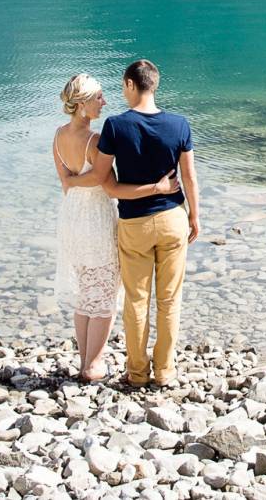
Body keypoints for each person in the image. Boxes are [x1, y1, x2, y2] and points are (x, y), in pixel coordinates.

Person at [51, 73, 177, 382]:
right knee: (105, 292)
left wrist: (71, 181)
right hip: (95, 217)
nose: (104, 102)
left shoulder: (58, 135)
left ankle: (85, 361)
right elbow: (108, 185)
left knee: (86, 291)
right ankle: (93, 365)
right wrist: (158, 188)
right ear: (81, 105)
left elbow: (66, 181)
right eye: (97, 98)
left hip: (72, 216)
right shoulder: (94, 141)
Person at [97, 58, 200, 387]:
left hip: (135, 223)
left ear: (130, 84)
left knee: (136, 300)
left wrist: (145, 189)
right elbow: (190, 178)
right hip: (173, 219)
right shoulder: (180, 125)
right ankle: (165, 371)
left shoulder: (115, 126)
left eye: (122, 86)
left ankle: (138, 373)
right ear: (154, 85)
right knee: (169, 300)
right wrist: (195, 217)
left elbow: (107, 184)